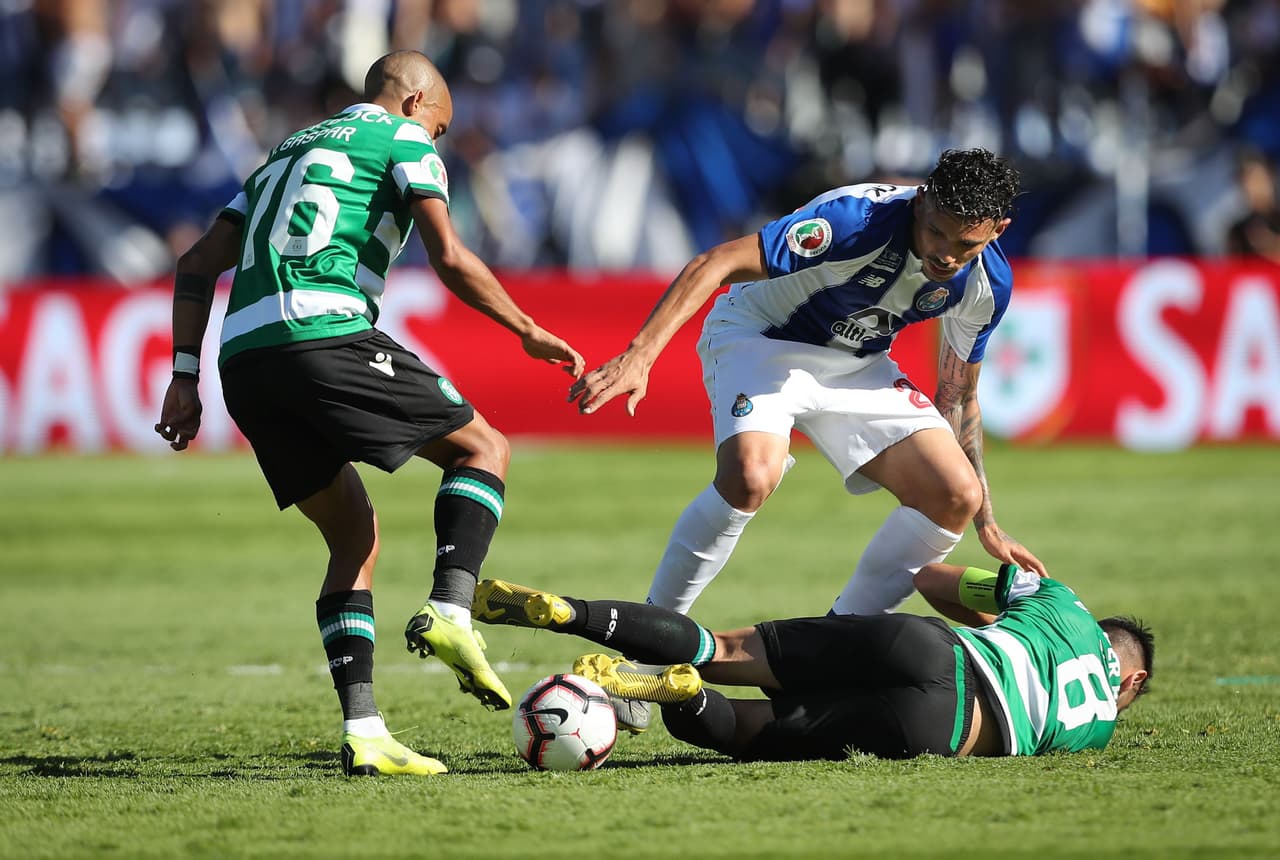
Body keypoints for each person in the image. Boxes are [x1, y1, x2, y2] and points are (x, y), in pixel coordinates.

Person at [153, 50, 584, 777]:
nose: (439, 142)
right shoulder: (404, 138)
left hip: (244, 361)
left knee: (354, 535)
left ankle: (365, 731)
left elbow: (197, 262)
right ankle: (451, 609)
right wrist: (526, 329)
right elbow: (448, 256)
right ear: (416, 102)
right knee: (485, 449)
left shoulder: (281, 153)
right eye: (442, 128)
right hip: (325, 332)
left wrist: (183, 377)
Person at [568, 149, 1046, 626]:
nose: (945, 253)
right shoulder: (855, 220)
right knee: (752, 474)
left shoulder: (989, 284)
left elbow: (958, 394)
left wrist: (987, 522)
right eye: (936, 231)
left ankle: (833, 654)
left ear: (996, 230)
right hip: (761, 336)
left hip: (858, 363)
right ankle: (651, 646)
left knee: (956, 494)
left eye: (964, 243)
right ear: (921, 202)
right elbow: (714, 263)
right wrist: (641, 355)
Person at [473, 565, 1153, 760]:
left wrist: (999, 611)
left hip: (931, 644)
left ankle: (573, 611)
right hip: (945, 726)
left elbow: (933, 578)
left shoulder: (1062, 600)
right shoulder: (1099, 727)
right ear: (1132, 680)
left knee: (717, 647)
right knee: (743, 730)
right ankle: (675, 696)